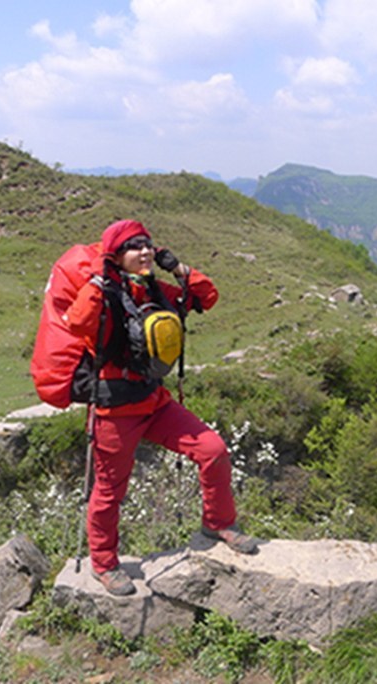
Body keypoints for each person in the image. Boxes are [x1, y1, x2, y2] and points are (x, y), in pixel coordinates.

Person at [65, 219, 257, 596]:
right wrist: (97, 282)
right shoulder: (102, 293)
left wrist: (177, 266)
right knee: (109, 491)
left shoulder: (155, 290)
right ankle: (103, 564)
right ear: (116, 255)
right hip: (114, 411)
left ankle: (218, 523)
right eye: (135, 246)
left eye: (148, 245)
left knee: (213, 449)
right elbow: (77, 325)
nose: (145, 251)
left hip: (154, 401)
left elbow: (206, 296)